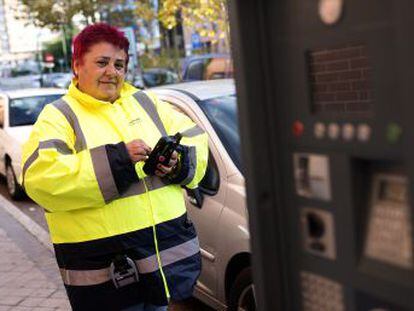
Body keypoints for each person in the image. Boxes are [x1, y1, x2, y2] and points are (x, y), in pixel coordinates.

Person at [21, 23, 208, 311]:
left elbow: (197, 138)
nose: (113, 71)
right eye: (102, 62)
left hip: (164, 266)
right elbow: (42, 179)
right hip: (105, 278)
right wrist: (118, 160)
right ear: (76, 66)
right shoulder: (59, 116)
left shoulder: (146, 102)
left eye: (120, 64)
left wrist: (177, 162)